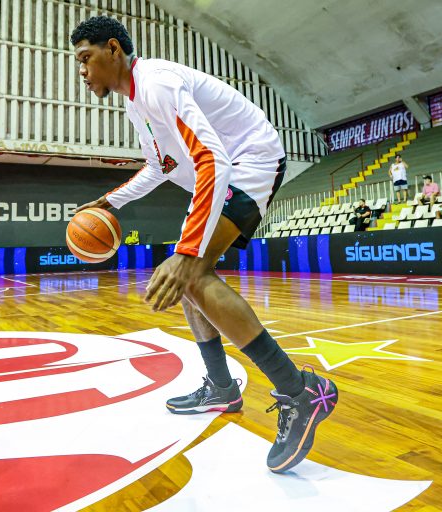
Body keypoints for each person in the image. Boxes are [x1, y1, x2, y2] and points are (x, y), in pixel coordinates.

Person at [70, 16, 338, 474]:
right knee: (188, 279)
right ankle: (221, 387)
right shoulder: (136, 102)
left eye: (85, 58)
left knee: (190, 272)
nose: (82, 70)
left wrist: (187, 252)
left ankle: (301, 392)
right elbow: (160, 166)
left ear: (113, 49)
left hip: (249, 160)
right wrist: (112, 200)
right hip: (220, 173)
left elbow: (212, 158)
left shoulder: (156, 84)